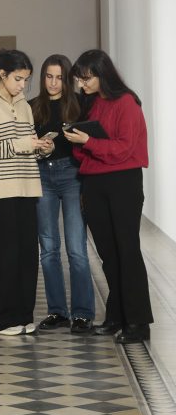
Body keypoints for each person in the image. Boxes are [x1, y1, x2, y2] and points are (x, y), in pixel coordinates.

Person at [66, 49, 150, 343]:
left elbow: (124, 148)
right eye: (80, 79)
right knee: (108, 254)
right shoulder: (92, 103)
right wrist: (79, 141)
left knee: (127, 251)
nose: (82, 85)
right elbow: (82, 153)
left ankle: (138, 322)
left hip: (123, 181)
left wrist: (88, 141)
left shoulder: (127, 102)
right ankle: (116, 315)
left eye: (86, 78)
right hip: (94, 182)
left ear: (103, 74)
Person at [0, 50, 52, 335]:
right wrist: (23, 144)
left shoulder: (24, 106)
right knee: (4, 256)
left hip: (26, 186)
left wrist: (42, 148)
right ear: (3, 74)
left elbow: (25, 146)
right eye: (18, 79)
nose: (22, 85)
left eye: (26, 80)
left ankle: (22, 316)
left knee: (27, 254)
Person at [30, 55, 94, 334]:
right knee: (48, 248)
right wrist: (39, 147)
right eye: (49, 76)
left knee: (76, 248)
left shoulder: (80, 105)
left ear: (67, 79)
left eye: (59, 77)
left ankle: (82, 314)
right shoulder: (33, 106)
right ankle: (57, 311)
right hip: (42, 175)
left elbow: (88, 143)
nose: (53, 83)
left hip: (72, 176)